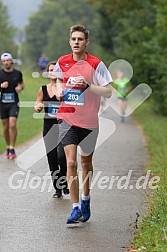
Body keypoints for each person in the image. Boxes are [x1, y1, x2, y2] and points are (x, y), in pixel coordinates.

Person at [53, 24, 112, 224]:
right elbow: (57, 81)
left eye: (80, 39)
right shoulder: (63, 61)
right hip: (67, 117)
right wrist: (60, 89)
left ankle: (86, 198)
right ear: (69, 41)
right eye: (73, 39)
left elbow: (108, 91)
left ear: (87, 42)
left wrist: (88, 86)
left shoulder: (96, 64)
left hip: (89, 121)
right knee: (71, 162)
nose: (76, 42)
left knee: (86, 163)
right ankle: (75, 207)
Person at [34, 61, 69, 198]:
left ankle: (64, 181)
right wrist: (37, 106)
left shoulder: (65, 89)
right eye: (51, 70)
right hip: (49, 127)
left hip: (64, 126)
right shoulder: (43, 89)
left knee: (63, 156)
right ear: (47, 73)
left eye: (56, 70)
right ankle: (58, 189)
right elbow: (38, 102)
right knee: (52, 158)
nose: (53, 72)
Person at [0, 52, 24, 159]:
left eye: (8, 60)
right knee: (5, 127)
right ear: (2, 63)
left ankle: (12, 148)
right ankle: (8, 146)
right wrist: (1, 86)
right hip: (2, 103)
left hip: (14, 102)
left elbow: (22, 84)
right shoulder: (0, 73)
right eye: (4, 61)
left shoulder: (18, 73)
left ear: (11, 61)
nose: (6, 63)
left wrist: (20, 88)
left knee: (12, 124)